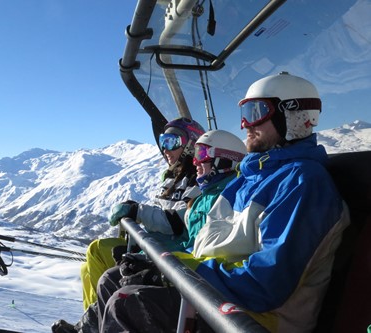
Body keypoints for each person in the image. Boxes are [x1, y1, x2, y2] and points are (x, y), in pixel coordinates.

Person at [98, 72, 350, 332]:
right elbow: (207, 244)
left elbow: (266, 285)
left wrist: (182, 273)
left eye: (256, 112)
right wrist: (166, 267)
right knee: (113, 279)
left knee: (128, 303)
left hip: (259, 316)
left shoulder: (303, 182)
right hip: (217, 293)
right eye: (244, 113)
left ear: (294, 116)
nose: (245, 124)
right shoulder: (249, 178)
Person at [52, 129, 248, 333]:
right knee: (110, 278)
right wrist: (145, 252)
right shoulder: (202, 197)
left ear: (225, 161)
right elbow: (186, 238)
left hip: (200, 283)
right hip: (186, 266)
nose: (195, 162)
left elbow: (207, 248)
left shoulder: (227, 198)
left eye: (202, 155)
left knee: (124, 297)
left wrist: (157, 262)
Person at [79, 117, 205, 310]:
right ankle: (92, 317)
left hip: (169, 249)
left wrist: (137, 211)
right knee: (87, 267)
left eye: (172, 141)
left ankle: (96, 320)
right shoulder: (171, 178)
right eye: (163, 141)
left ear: (191, 144)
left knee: (97, 250)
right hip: (153, 242)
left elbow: (177, 220)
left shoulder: (198, 179)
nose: (165, 148)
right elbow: (162, 210)